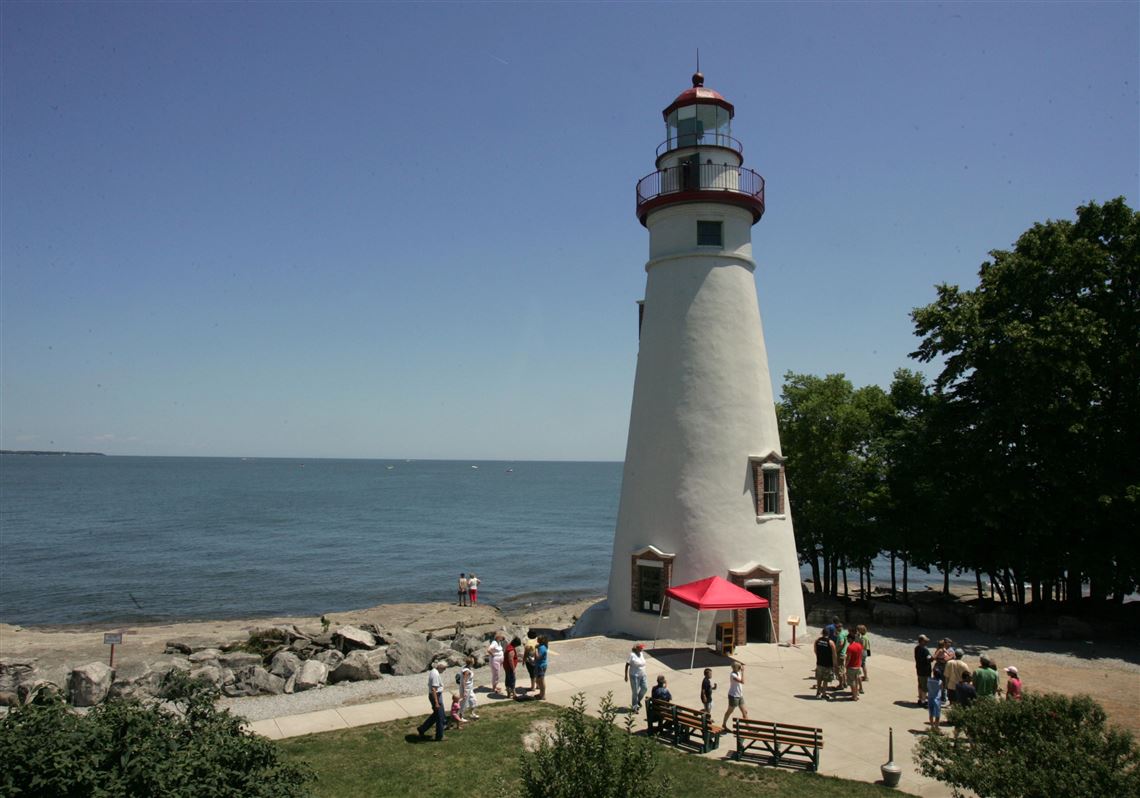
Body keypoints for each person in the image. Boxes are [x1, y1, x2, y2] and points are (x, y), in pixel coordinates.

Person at [415, 660, 447, 741]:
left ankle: (422, 729)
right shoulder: (436, 674)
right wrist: (436, 702)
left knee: (436, 715)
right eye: (444, 668)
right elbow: (434, 689)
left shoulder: (433, 671)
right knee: (440, 717)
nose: (444, 670)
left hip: (435, 696)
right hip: (436, 697)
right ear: (440, 667)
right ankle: (439, 736)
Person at [722, 661, 747, 729]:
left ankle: (749, 729)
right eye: (739, 667)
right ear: (736, 668)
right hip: (733, 696)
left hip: (740, 695)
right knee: (730, 711)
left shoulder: (738, 673)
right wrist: (743, 672)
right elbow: (742, 681)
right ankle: (724, 724)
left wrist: (741, 672)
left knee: (744, 712)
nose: (740, 668)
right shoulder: (733, 675)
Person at [814, 627, 837, 700]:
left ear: (822, 633)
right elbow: (834, 654)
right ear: (828, 634)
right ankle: (823, 693)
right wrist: (835, 664)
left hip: (819, 663)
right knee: (825, 679)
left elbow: (815, 651)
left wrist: (819, 657)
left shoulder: (817, 641)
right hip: (828, 664)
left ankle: (818, 693)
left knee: (819, 679)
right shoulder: (831, 642)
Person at [624, 643, 649, 711]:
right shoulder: (632, 655)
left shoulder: (641, 654)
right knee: (635, 692)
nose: (642, 649)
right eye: (641, 648)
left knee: (645, 688)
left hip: (643, 675)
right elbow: (627, 665)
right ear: (636, 648)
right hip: (634, 676)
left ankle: (638, 701)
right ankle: (634, 707)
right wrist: (626, 675)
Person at [844, 631, 864, 701]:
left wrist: (845, 665)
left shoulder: (850, 647)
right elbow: (861, 654)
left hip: (851, 667)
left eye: (848, 638)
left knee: (851, 681)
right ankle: (856, 692)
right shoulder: (859, 645)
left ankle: (854, 696)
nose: (847, 640)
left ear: (850, 639)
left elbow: (848, 658)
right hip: (858, 666)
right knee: (856, 680)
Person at [914, 634, 933, 705]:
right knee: (925, 686)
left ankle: (920, 698)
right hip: (925, 671)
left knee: (920, 685)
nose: (926, 642)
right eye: (925, 641)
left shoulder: (916, 648)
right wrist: (935, 656)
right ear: (921, 641)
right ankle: (923, 701)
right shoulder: (925, 650)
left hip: (919, 669)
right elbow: (930, 659)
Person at [535, 635, 549, 700]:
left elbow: (538, 657)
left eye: (537, 639)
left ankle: (543, 695)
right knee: (538, 680)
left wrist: (535, 649)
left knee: (541, 681)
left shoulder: (542, 648)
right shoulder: (541, 646)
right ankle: (541, 693)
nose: (536, 639)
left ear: (540, 640)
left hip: (541, 666)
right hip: (539, 665)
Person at [835, 623, 849, 688]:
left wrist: (836, 651)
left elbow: (841, 643)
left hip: (840, 654)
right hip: (845, 652)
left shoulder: (840, 635)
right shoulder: (845, 632)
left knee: (840, 670)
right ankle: (845, 683)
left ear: (837, 628)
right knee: (843, 669)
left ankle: (841, 685)